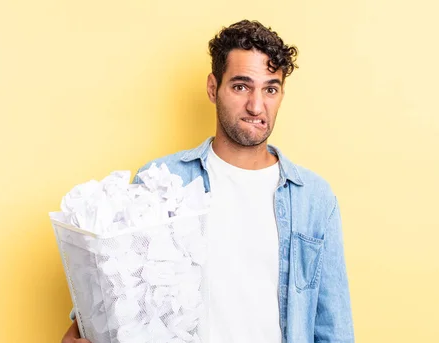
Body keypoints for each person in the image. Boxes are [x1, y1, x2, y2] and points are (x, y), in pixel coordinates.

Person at [62, 19, 354, 343]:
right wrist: (82, 331)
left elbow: (333, 328)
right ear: (213, 88)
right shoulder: (162, 182)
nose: (256, 106)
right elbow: (111, 297)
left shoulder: (313, 199)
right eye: (241, 86)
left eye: (270, 89)